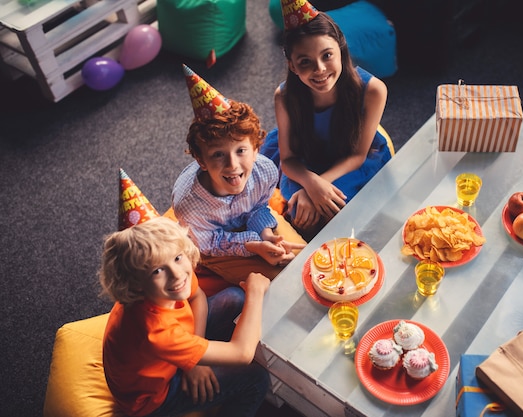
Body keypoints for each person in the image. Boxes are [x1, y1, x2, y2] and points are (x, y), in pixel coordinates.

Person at [99, 216, 271, 417]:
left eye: (177, 258)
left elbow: (197, 296)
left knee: (234, 298)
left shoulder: (171, 280)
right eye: (157, 271)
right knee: (257, 378)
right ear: (136, 283)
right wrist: (256, 293)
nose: (177, 274)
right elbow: (242, 354)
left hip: (166, 353)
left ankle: (204, 355)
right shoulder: (155, 332)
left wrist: (196, 361)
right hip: (154, 397)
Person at [261, 1, 393, 240]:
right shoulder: (284, 96)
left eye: (327, 55)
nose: (320, 69)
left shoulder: (374, 90)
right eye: (305, 62)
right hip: (305, 162)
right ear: (292, 65)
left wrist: (320, 186)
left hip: (349, 160)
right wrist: (310, 184)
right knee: (300, 216)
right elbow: (289, 160)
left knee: (335, 216)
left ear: (341, 51)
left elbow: (357, 156)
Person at [173, 65, 306, 284]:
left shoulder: (264, 171)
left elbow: (258, 208)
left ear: (255, 150)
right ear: (201, 160)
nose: (232, 165)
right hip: (213, 244)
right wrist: (251, 245)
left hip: (249, 226)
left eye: (241, 151)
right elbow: (209, 243)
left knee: (300, 261)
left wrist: (266, 236)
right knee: (276, 283)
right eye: (218, 154)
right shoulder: (189, 206)